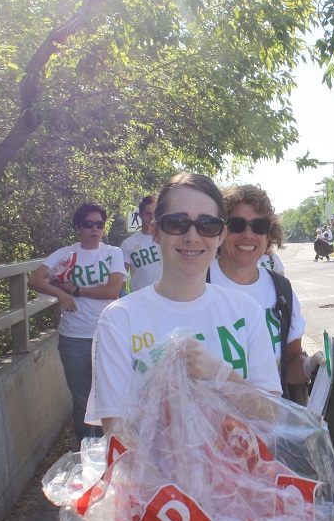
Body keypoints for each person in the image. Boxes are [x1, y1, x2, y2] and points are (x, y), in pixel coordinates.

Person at [85, 173, 282, 436]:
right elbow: (118, 437)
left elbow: (271, 415)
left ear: (221, 235)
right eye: (177, 223)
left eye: (207, 225)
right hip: (155, 479)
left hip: (243, 474)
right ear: (155, 232)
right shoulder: (119, 319)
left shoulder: (246, 311)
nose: (192, 237)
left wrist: (219, 373)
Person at [28, 203, 127, 444]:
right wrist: (60, 294)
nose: (95, 229)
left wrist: (74, 290)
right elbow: (35, 279)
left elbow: (113, 291)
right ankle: (86, 456)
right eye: (88, 224)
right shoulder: (66, 254)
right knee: (82, 399)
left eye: (100, 224)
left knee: (109, 396)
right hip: (74, 337)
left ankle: (109, 452)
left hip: (107, 335)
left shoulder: (112, 252)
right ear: (78, 227)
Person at [210, 184, 320, 399]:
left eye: (259, 226)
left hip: (269, 424)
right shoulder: (198, 284)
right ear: (220, 231)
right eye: (237, 225)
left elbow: (288, 366)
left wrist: (309, 366)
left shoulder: (280, 290)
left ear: (269, 235)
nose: (248, 235)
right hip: (211, 426)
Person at [119, 195, 162, 292]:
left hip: (166, 297)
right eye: (148, 214)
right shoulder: (128, 244)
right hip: (140, 300)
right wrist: (122, 296)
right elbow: (121, 277)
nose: (152, 218)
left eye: (155, 213)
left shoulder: (168, 239)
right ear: (140, 215)